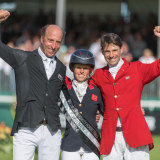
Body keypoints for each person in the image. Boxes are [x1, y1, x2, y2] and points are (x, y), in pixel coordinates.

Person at [0, 9, 66, 160]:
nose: (54, 45)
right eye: (50, 40)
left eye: (58, 42)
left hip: (52, 130)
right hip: (26, 129)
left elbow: (67, 96)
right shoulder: (22, 58)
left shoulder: (62, 68)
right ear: (42, 39)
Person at [89, 32, 158, 160]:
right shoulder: (98, 74)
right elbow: (87, 95)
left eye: (115, 50)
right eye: (107, 51)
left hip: (136, 134)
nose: (111, 55)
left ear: (122, 49)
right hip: (110, 137)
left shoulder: (137, 68)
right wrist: (97, 111)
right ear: (102, 52)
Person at [61, 49, 104, 160]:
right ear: (72, 68)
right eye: (78, 67)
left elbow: (109, 112)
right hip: (70, 144)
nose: (81, 71)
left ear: (90, 70)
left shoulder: (96, 91)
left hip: (92, 145)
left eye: (85, 68)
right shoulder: (64, 90)